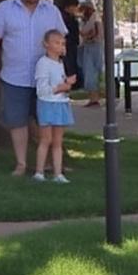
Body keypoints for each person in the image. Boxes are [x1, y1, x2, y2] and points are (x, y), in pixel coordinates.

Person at [0, 0, 66, 176]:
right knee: (17, 120)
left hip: (46, 79)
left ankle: (48, 163)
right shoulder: (5, 9)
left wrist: (63, 72)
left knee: (46, 120)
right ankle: (21, 163)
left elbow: (62, 41)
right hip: (14, 76)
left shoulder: (51, 11)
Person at [34, 29, 77, 183]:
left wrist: (68, 83)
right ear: (46, 44)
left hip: (60, 103)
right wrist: (60, 87)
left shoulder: (60, 63)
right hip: (47, 104)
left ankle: (58, 173)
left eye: (62, 44)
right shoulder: (43, 63)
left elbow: (63, 82)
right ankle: (39, 172)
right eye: (56, 43)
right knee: (46, 139)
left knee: (58, 141)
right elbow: (42, 89)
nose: (60, 46)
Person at [78, 2, 103, 107]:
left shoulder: (95, 19)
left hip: (93, 46)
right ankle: (93, 97)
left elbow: (91, 33)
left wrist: (87, 36)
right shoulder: (88, 19)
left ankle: (94, 98)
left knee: (90, 71)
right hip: (89, 46)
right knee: (89, 71)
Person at [60, 0, 82, 81]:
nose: (77, 9)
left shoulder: (70, 18)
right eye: (75, 7)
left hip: (71, 45)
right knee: (69, 67)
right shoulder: (65, 18)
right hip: (68, 45)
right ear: (71, 7)